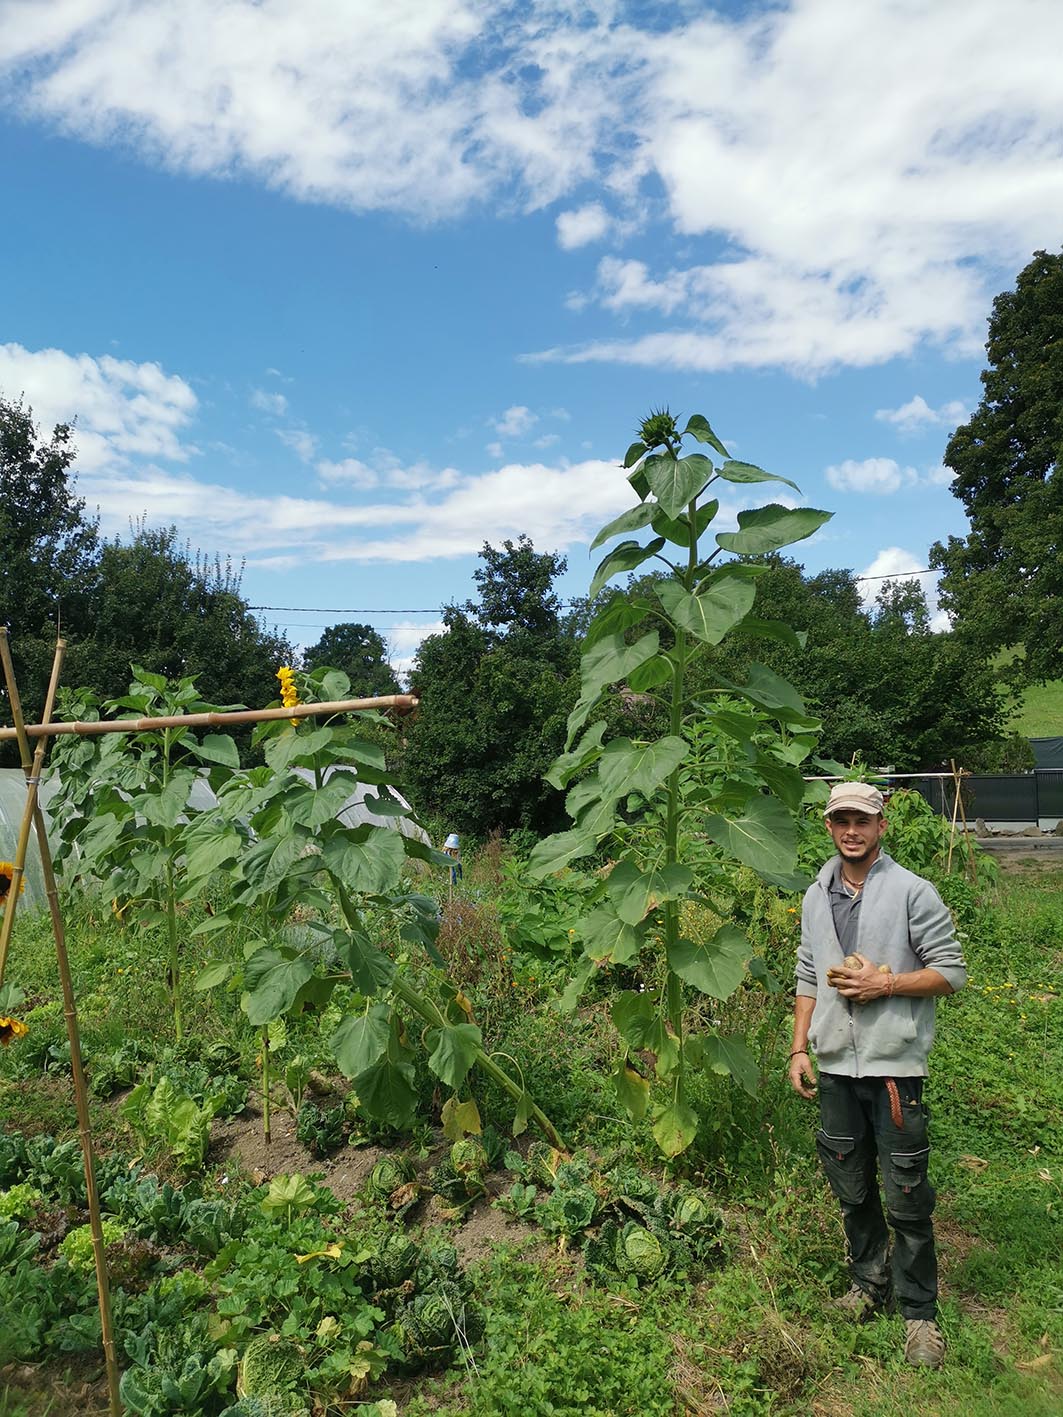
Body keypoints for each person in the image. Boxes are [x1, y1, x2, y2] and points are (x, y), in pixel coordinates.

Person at [789, 782, 967, 1369]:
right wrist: (799, 1048)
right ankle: (869, 1282)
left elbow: (951, 972)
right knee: (851, 1185)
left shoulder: (912, 891)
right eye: (841, 820)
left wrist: (885, 983)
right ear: (829, 826)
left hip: (894, 1067)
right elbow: (808, 974)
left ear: (880, 826)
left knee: (906, 1193)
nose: (851, 831)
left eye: (862, 821)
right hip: (835, 1065)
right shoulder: (816, 896)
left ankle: (920, 1316)